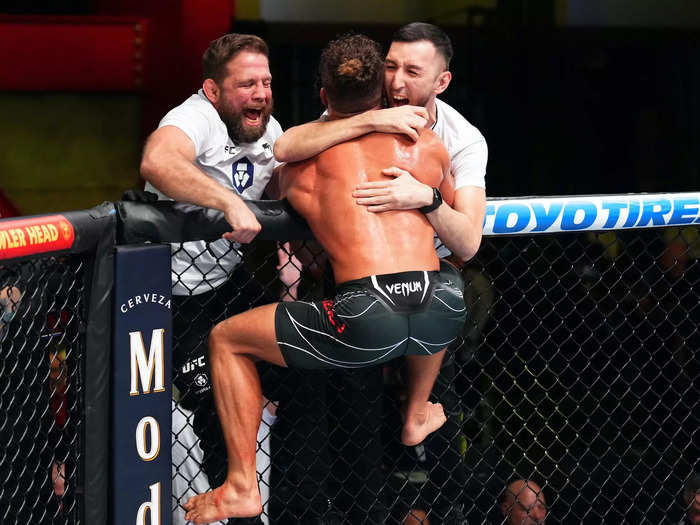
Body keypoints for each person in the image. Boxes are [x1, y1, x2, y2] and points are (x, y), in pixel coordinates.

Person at [183, 33, 466, 524]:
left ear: (321, 97)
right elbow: (454, 220)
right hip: (443, 308)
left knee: (227, 340)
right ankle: (417, 410)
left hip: (367, 313)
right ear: (382, 94)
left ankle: (242, 486)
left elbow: (282, 163)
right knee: (437, 286)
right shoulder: (430, 145)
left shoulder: (303, 164)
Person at [275, 22, 487, 523]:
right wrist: (367, 123)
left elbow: (469, 242)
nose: (395, 82)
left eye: (412, 71)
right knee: (356, 422)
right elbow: (287, 147)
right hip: (357, 283)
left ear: (442, 82)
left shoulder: (460, 140)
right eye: (391, 66)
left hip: (427, 288)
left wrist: (426, 199)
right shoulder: (357, 107)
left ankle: (446, 512)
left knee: (438, 421)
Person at [139, 33, 288, 525]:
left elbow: (292, 186)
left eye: (266, 82)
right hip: (165, 293)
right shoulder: (195, 117)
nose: (261, 94)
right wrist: (227, 201)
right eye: (246, 84)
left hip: (225, 284)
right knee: (208, 412)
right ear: (213, 90)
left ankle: (280, 508)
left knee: (302, 379)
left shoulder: (273, 133)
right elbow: (157, 161)